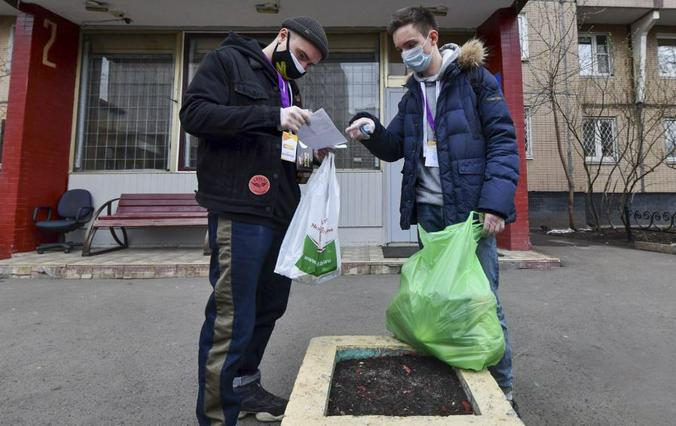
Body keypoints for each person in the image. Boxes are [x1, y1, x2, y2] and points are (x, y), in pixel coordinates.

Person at [346, 6, 520, 409]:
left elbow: (503, 143)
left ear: (433, 38)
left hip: (470, 215)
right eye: (399, 48)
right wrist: (369, 129)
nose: (406, 53)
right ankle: (451, 370)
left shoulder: (475, 79)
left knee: (481, 299)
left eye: (411, 44)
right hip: (429, 213)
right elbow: (395, 148)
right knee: (437, 297)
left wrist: (494, 204)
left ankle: (502, 388)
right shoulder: (412, 94)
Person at [180, 16, 329, 426]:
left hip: (280, 211)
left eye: (310, 63)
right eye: (300, 55)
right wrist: (271, 116)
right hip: (240, 209)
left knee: (268, 307)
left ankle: (243, 387)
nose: (302, 65)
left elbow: (282, 154)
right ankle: (215, 416)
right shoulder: (227, 62)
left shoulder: (289, 87)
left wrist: (310, 156)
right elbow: (195, 115)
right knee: (233, 314)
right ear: (281, 36)